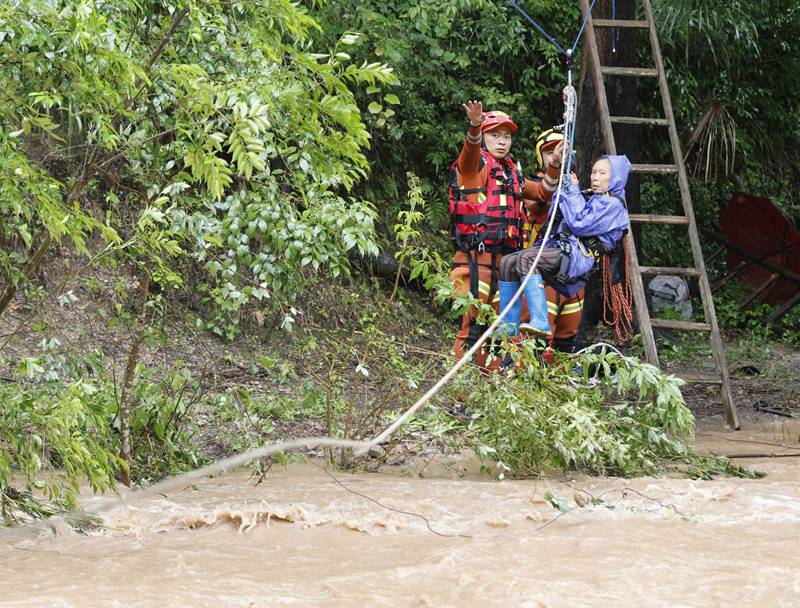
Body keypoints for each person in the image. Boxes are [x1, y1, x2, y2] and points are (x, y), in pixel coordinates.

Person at [449, 101, 564, 368]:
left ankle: (494, 387)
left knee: (503, 327)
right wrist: (475, 128)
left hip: (505, 263)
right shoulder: (474, 167)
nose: (502, 142)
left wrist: (555, 165)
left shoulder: (512, 172)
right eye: (495, 135)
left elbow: (544, 193)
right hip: (472, 261)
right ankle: (463, 395)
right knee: (471, 326)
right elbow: (469, 155)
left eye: (506, 136)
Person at [495, 154, 631, 339]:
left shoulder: (614, 206)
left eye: (602, 173)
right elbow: (559, 217)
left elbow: (579, 223)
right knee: (508, 262)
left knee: (527, 260)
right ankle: (508, 325)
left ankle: (541, 320)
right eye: (593, 172)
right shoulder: (591, 197)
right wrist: (564, 190)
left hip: (578, 258)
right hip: (564, 250)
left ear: (615, 177)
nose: (595, 177)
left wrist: (573, 190)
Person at [523, 128, 586, 355]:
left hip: (571, 274)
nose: (557, 155)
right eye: (550, 152)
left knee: (567, 339)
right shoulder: (537, 190)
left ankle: (559, 382)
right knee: (539, 339)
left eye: (562, 151)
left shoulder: (577, 188)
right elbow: (540, 204)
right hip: (542, 272)